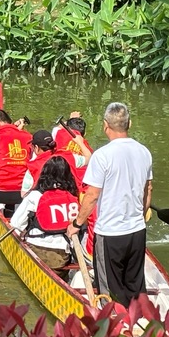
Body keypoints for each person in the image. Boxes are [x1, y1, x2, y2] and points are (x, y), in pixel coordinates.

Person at [67, 102, 153, 308]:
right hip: (137, 231)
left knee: (110, 291)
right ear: (129, 124)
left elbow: (92, 195)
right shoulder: (144, 152)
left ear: (106, 125)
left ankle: (115, 329)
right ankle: (142, 328)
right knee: (135, 285)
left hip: (110, 234)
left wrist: (77, 224)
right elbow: (147, 190)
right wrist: (139, 218)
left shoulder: (102, 156)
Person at [11, 156, 80, 279]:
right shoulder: (73, 196)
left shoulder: (35, 196)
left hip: (37, 250)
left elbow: (16, 224)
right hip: (62, 256)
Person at [20, 130, 56, 197]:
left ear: (36, 147)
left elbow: (23, 194)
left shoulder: (33, 166)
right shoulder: (65, 157)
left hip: (42, 202)